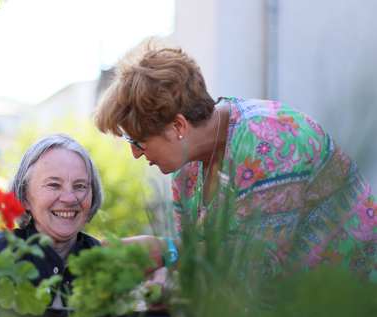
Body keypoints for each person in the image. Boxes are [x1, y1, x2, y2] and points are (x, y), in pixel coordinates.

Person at [93, 39, 377, 293]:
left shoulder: (271, 142)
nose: (134, 154)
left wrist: (164, 251)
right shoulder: (186, 172)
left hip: (354, 305)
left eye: (139, 140)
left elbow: (256, 270)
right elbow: (202, 267)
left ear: (178, 126)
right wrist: (168, 279)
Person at [0, 133, 103, 307]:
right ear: (25, 197)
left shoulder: (110, 264)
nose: (70, 199)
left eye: (80, 186)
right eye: (54, 185)